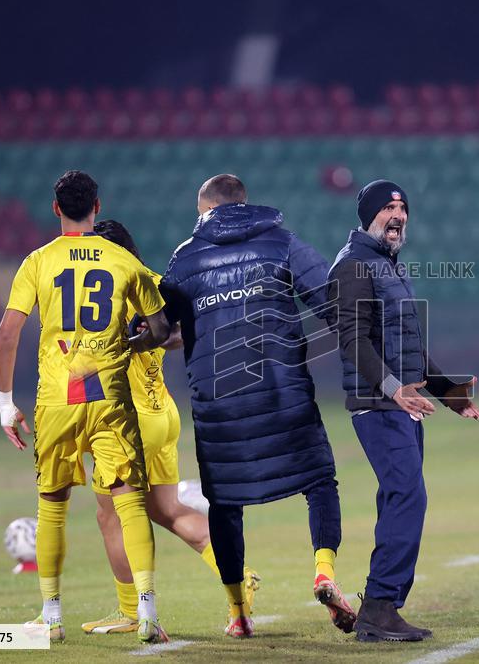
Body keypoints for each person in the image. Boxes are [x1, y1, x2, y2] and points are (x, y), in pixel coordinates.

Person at [158, 174, 355, 638]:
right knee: (320, 483)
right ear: (245, 204)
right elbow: (333, 305)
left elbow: (158, 330)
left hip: (217, 407)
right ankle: (323, 572)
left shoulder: (185, 257)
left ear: (205, 210)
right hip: (284, 395)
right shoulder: (281, 243)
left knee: (225, 505)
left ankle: (239, 614)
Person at [0, 171, 171, 644]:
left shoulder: (38, 261)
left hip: (58, 399)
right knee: (129, 502)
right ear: (98, 206)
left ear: (56, 208)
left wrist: (6, 403)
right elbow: (159, 330)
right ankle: (147, 611)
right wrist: (127, 345)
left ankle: (51, 616)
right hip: (109, 396)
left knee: (52, 507)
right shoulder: (122, 259)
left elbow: (8, 333)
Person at [79, 220, 260, 635]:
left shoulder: (101, 291)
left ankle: (132, 611)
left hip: (128, 421)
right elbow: (182, 332)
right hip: (162, 413)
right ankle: (240, 575)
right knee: (167, 510)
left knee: (111, 516)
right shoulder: (155, 284)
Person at [327, 179, 479, 643]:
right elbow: (352, 341)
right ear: (368, 216)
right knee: (407, 495)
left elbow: (406, 346)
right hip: (378, 404)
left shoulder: (386, 265)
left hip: (399, 403)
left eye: (403, 208)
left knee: (400, 496)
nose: (398, 215)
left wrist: (448, 393)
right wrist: (394, 390)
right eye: (388, 208)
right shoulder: (353, 266)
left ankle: (381, 606)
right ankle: (379, 607)